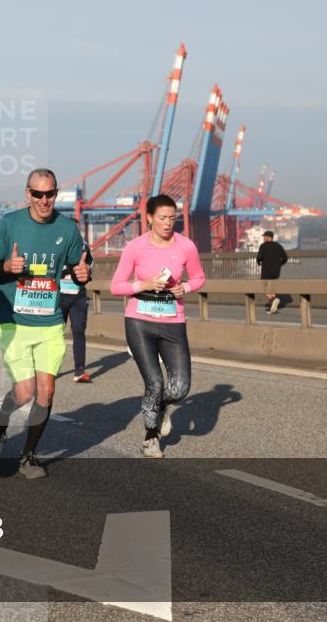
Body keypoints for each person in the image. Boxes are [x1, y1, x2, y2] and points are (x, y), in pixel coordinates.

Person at [0, 168, 89, 478]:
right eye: (38, 194)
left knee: (47, 391)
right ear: (28, 194)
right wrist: (7, 267)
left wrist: (84, 275)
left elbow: (78, 267)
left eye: (50, 194)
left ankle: (28, 455)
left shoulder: (67, 229)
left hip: (50, 321)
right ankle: (1, 420)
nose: (44, 200)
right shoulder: (9, 224)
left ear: (56, 193)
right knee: (24, 393)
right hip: (14, 320)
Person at [109, 194, 205, 458]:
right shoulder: (135, 247)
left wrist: (184, 287)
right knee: (154, 382)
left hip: (173, 322)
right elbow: (116, 286)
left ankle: (159, 407)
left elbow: (198, 277)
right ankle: (151, 438)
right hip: (139, 321)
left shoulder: (186, 246)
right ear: (149, 218)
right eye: (162, 218)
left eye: (172, 218)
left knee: (180, 387)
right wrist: (144, 284)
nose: (167, 223)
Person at [60, 241, 94, 383]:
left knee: (79, 331)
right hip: (58, 295)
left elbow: (91, 267)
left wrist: (86, 269)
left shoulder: (84, 247)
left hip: (78, 296)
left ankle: (79, 371)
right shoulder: (55, 242)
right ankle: (47, 369)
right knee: (53, 334)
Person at [257, 230, 289, 314]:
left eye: (264, 236)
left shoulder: (263, 246)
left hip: (266, 271)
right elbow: (285, 257)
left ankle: (274, 299)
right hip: (276, 271)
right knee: (272, 287)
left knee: (264, 287)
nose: (263, 238)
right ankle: (273, 305)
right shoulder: (278, 246)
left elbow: (259, 257)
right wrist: (280, 264)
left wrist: (258, 261)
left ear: (268, 237)